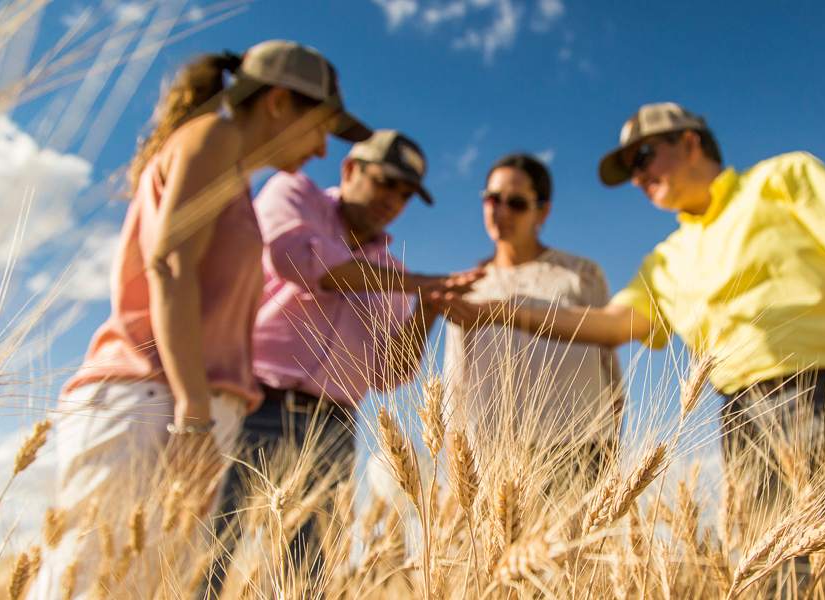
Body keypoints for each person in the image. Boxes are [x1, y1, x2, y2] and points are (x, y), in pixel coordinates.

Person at [32, 40, 371, 600]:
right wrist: (193, 415)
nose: (320, 150)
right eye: (321, 128)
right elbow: (169, 264)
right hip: (156, 402)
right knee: (90, 586)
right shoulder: (213, 137)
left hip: (182, 405)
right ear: (279, 102)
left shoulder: (231, 174)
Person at [434, 102, 825, 466]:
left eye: (643, 158)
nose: (637, 177)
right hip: (743, 421)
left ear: (690, 142)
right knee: (774, 576)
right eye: (630, 171)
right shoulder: (665, 260)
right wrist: (503, 310)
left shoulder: (784, 178)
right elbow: (610, 326)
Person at [211, 130, 478, 586]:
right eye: (385, 182)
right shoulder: (295, 193)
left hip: (334, 425)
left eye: (405, 193)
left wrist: (428, 309)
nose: (393, 200)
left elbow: (388, 373)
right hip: (253, 403)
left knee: (307, 574)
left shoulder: (396, 273)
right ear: (350, 169)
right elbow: (294, 257)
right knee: (211, 550)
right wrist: (420, 283)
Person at [442, 153, 623, 488]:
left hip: (582, 448)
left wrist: (612, 449)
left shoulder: (581, 274)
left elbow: (610, 367)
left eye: (517, 203)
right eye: (493, 199)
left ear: (542, 211)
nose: (501, 211)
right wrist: (460, 477)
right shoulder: (467, 288)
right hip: (495, 456)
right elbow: (456, 388)